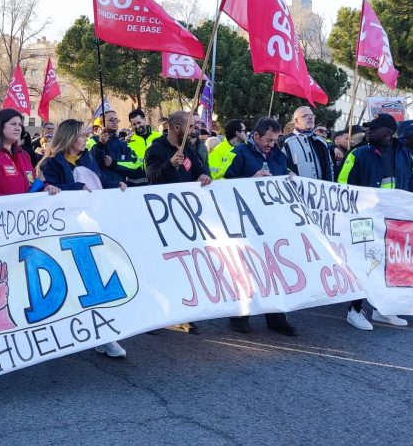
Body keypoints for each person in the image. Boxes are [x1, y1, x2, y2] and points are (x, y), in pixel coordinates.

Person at [36, 119, 128, 358]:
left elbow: (96, 181)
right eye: (81, 135)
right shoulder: (51, 163)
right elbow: (50, 190)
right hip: (65, 232)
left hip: (91, 227)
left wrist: (114, 183)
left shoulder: (87, 157)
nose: (86, 138)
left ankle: (104, 336)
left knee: (95, 281)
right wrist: (74, 188)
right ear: (68, 137)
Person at [338, 112, 413, 329]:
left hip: (393, 221)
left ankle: (383, 310)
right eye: (368, 128)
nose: (368, 131)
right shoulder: (357, 154)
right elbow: (341, 187)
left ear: (388, 133)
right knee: (364, 265)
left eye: (373, 128)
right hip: (362, 220)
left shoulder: (405, 156)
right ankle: (354, 310)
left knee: (388, 266)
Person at [217, 117, 297, 336]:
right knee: (246, 268)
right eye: (268, 140)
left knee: (275, 268)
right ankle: (240, 316)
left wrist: (290, 178)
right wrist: (250, 179)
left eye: (275, 139)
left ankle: (276, 317)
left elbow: (284, 174)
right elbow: (221, 185)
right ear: (257, 135)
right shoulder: (239, 153)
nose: (272, 144)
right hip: (244, 222)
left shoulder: (279, 155)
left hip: (271, 222)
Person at [145, 111, 212, 336]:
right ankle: (155, 314)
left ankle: (179, 310)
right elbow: (151, 178)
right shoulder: (156, 149)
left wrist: (204, 176)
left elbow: (200, 170)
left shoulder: (191, 149)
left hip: (186, 217)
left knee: (184, 265)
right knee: (163, 267)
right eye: (191, 125)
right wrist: (170, 165)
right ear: (176, 128)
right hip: (162, 217)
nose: (195, 129)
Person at [0, 108, 60, 198]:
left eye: (19, 125)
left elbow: (32, 183)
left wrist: (44, 188)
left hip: (23, 213)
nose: (18, 128)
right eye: (13, 124)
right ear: (0, 126)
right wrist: (8, 203)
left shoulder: (23, 155)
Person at [89, 110, 143, 188]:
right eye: (111, 120)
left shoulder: (124, 144)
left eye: (116, 120)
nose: (115, 122)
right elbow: (90, 161)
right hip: (100, 189)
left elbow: (135, 164)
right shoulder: (92, 140)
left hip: (121, 189)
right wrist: (100, 145)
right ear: (101, 123)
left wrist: (115, 164)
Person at [282, 106, 334, 182]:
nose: (310, 118)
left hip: (320, 190)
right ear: (296, 121)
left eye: (312, 115)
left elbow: (330, 167)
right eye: (305, 116)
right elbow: (278, 165)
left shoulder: (321, 141)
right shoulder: (285, 141)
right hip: (295, 190)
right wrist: (288, 172)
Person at [125, 110, 159, 179]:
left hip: (157, 179)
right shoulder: (128, 140)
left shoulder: (158, 136)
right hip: (137, 183)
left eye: (139, 123)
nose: (137, 126)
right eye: (134, 124)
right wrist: (124, 144)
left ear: (145, 120)